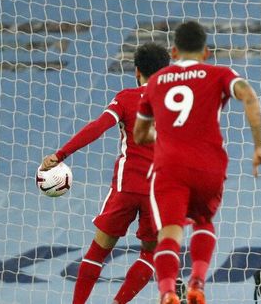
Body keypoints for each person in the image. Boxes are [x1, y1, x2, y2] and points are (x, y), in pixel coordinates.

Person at [133, 20, 261, 304]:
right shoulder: (220, 73)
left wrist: (165, 133)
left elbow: (139, 134)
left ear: (173, 52)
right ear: (207, 52)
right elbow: (248, 95)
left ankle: (168, 291)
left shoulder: (156, 82)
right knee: (203, 221)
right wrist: (258, 147)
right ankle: (197, 281)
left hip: (170, 168)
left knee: (169, 233)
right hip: (209, 166)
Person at [40, 42, 171, 304]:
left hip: (127, 186)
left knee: (98, 251)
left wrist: (61, 154)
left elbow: (98, 127)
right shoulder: (179, 104)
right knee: (150, 254)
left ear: (136, 71)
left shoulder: (126, 98)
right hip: (160, 192)